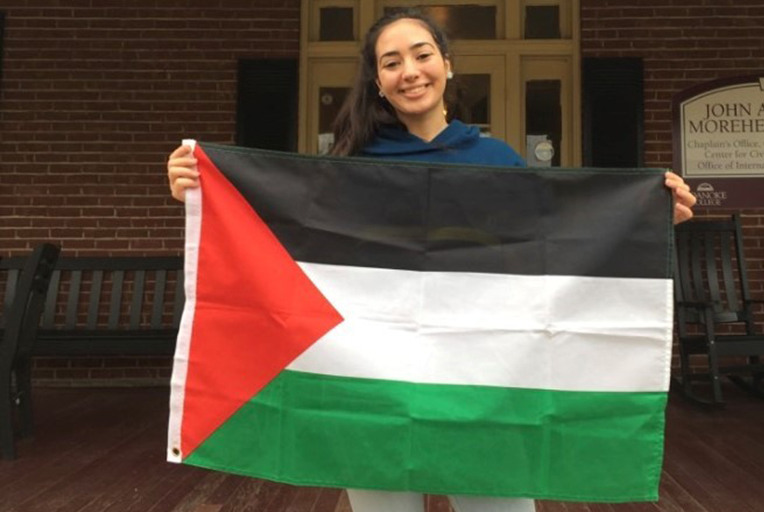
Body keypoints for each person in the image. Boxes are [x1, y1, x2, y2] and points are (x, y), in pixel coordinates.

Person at [167, 9, 696, 512]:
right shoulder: (346, 169)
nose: (409, 72)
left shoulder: (498, 163)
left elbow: (552, 251)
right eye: (391, 62)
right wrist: (205, 193)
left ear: (446, 64)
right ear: (377, 81)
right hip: (372, 384)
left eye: (421, 55)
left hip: (482, 382)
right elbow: (284, 244)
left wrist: (646, 219)